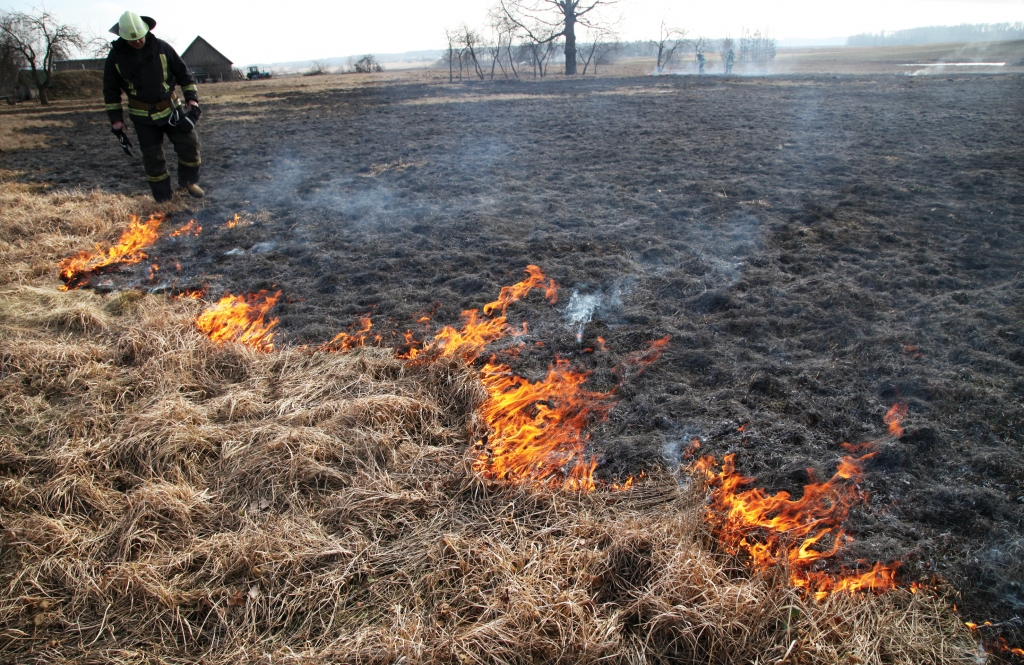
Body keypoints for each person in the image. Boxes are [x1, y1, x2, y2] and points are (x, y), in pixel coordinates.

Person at [103, 11, 204, 202]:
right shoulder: (115, 58)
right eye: (133, 40)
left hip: (172, 110)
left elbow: (184, 75)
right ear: (123, 37)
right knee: (153, 158)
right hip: (143, 117)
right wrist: (116, 120)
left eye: (140, 38)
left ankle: (189, 181)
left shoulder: (162, 48)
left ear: (145, 31)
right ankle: (163, 199)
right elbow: (110, 90)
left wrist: (192, 100)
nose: (138, 42)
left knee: (189, 145)